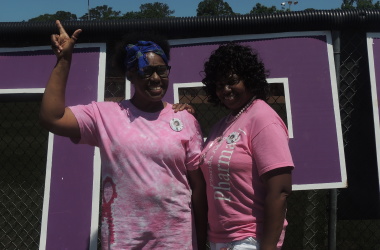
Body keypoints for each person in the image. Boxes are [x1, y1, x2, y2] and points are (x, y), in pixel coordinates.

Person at [39, 20, 207, 249]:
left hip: (177, 240)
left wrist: (202, 239)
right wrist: (64, 60)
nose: (156, 78)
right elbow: (52, 117)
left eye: (162, 69)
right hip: (124, 241)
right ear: (130, 75)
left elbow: (198, 188)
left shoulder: (186, 119)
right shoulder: (105, 115)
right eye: (146, 71)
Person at [199, 43, 294, 250]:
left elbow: (280, 190)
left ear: (249, 79)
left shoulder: (263, 118)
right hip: (219, 238)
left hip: (250, 239)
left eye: (232, 81)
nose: (225, 90)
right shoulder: (221, 126)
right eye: (219, 84)